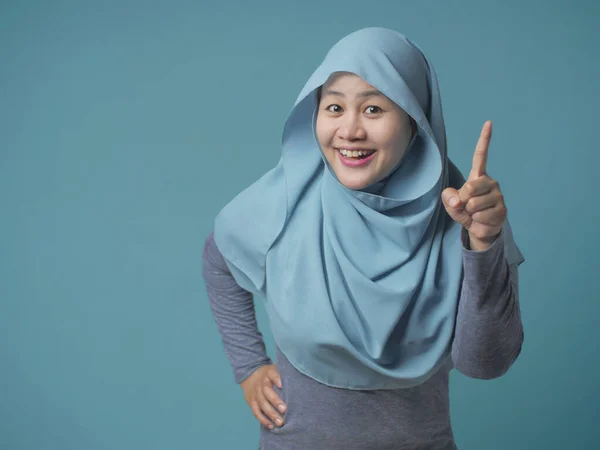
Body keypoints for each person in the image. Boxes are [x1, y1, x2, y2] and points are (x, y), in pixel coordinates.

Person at [202, 27, 525, 450]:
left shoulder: (467, 216)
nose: (349, 130)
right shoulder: (282, 205)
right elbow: (218, 260)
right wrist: (249, 367)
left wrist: (483, 245)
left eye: (373, 109)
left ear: (415, 121)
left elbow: (486, 364)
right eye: (334, 106)